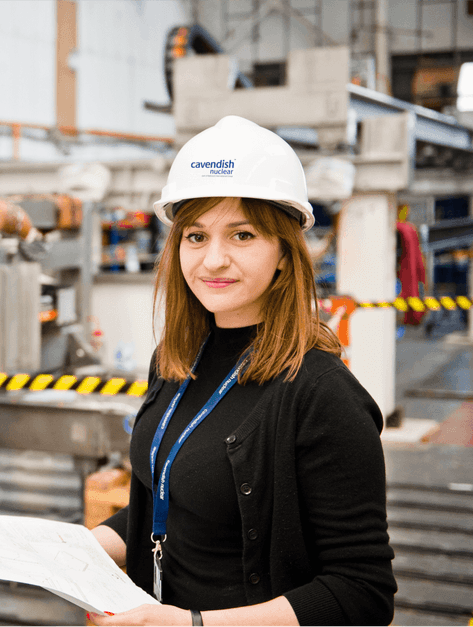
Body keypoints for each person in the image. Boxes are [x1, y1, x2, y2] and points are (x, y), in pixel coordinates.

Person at [90, 116, 396, 626]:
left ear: (283, 253)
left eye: (243, 234)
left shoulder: (320, 393)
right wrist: (83, 546)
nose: (213, 260)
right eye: (196, 236)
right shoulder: (176, 357)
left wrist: (195, 624)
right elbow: (178, 502)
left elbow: (361, 592)